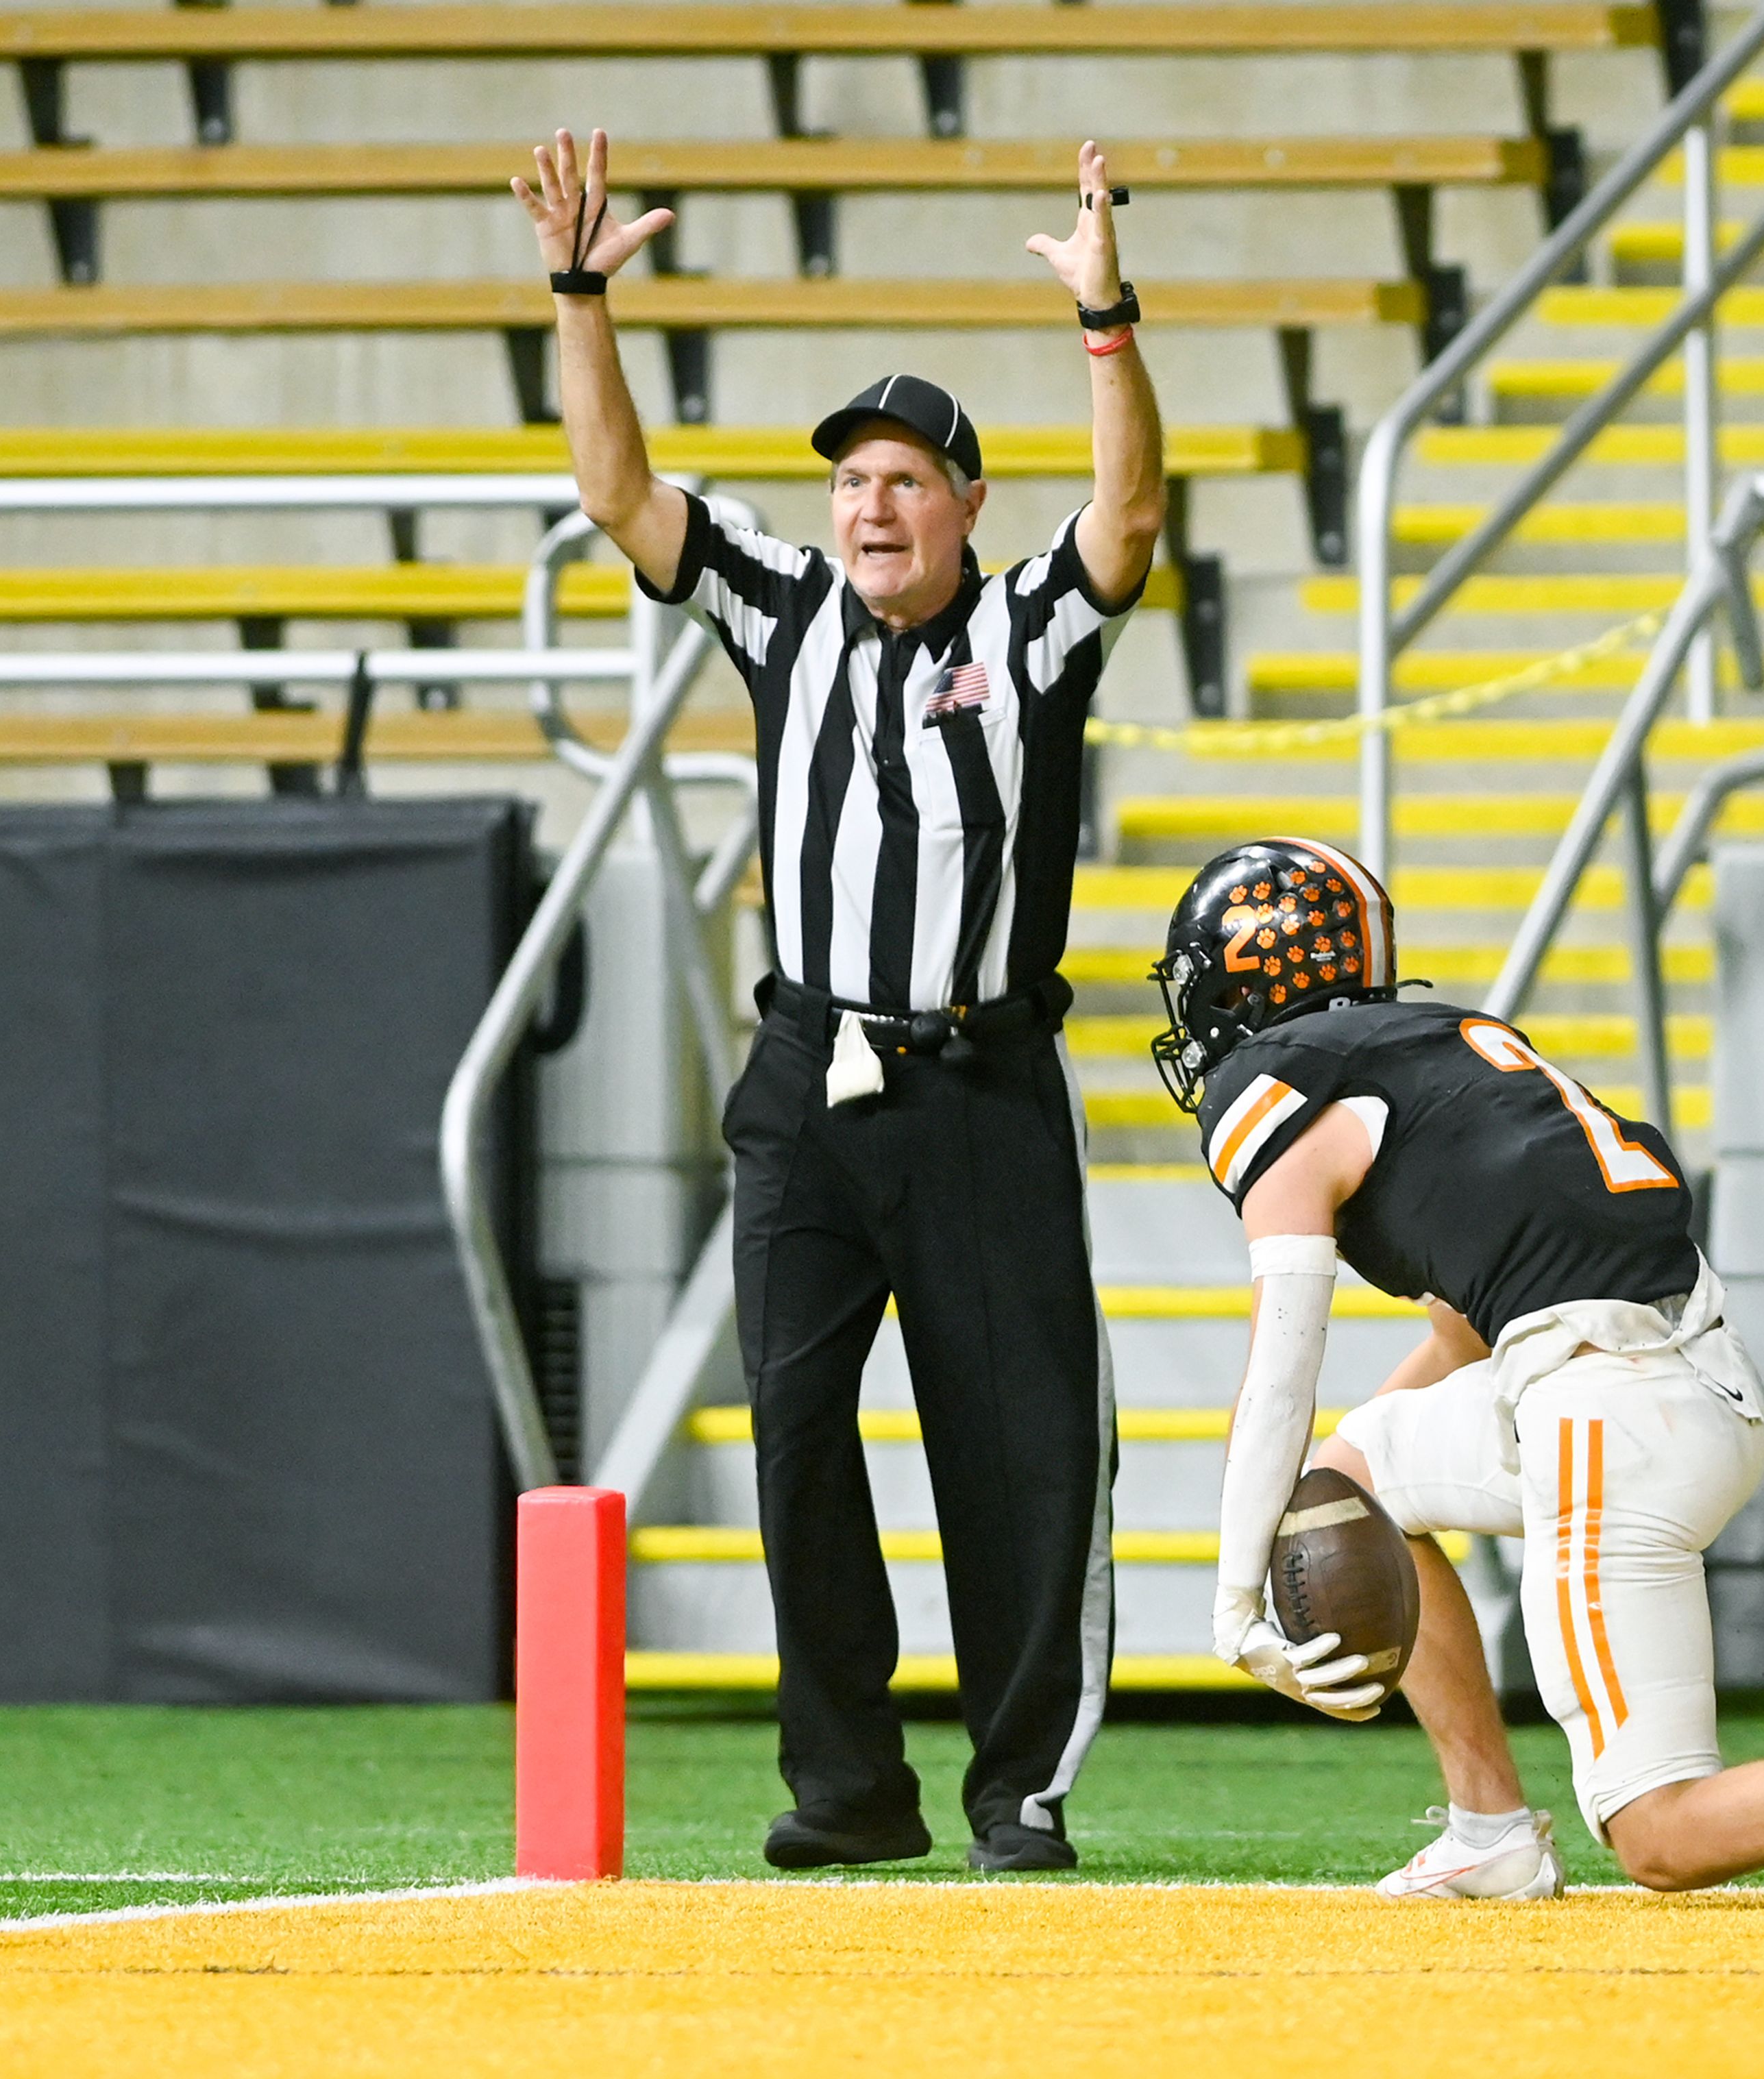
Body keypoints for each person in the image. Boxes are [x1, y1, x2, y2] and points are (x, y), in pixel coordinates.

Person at [514, 130, 1165, 1873]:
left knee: (1014, 1446)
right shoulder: (781, 603)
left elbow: (1130, 520)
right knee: (797, 1420)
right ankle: (849, 1783)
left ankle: (1017, 1785)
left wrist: (1108, 326)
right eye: (850, 480)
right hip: (809, 1069)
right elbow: (622, 495)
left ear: (963, 501)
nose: (869, 505)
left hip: (982, 1082)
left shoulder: (1031, 628)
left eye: (904, 479)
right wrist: (582, 301)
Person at [1153, 836, 1764, 1907]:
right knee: (1362, 1469)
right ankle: (1488, 1826)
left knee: (1658, 1834)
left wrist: (1233, 1602)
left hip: (1605, 1406)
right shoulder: (1450, 1040)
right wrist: (1328, 1490)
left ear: (1247, 981)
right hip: (1686, 1373)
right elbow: (1459, 1338)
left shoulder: (1277, 1085)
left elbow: (1279, 1365)